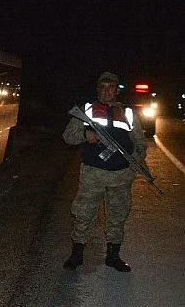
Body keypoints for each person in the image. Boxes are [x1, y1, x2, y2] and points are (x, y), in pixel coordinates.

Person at [62, 72, 148, 272]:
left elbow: (140, 142)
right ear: (98, 89)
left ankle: (113, 256)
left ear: (117, 90)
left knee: (118, 215)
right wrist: (86, 134)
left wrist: (137, 160)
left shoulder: (127, 112)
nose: (107, 91)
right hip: (93, 173)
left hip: (121, 174)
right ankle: (77, 254)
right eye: (103, 87)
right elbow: (68, 136)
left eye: (111, 87)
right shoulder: (87, 110)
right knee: (84, 213)